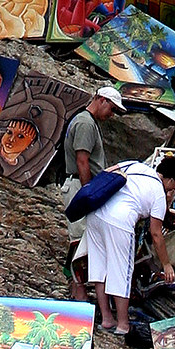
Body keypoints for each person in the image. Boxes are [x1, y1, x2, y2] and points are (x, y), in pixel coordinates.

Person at [86, 156, 175, 335]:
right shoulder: (158, 192)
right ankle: (123, 324)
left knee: (99, 269)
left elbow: (107, 172)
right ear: (172, 180)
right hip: (119, 221)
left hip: (96, 214)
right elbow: (156, 234)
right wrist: (166, 265)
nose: (173, 191)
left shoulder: (136, 166)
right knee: (121, 273)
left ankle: (106, 319)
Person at [62, 86, 127, 301]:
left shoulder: (87, 122)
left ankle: (76, 293)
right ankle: (78, 295)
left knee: (82, 241)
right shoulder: (85, 123)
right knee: (80, 242)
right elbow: (83, 161)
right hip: (79, 187)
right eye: (111, 109)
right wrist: (90, 193)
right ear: (101, 100)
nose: (111, 115)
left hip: (80, 187)